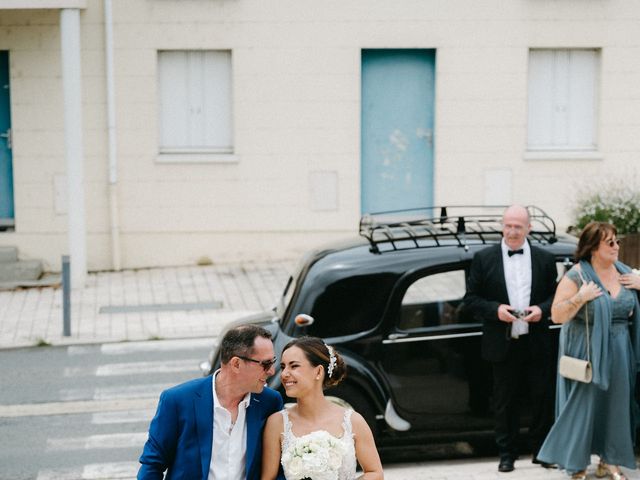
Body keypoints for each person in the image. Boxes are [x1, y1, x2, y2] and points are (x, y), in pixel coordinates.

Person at [536, 222, 640, 480]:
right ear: (593, 248)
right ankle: (577, 464)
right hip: (586, 350)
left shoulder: (626, 273)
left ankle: (610, 461)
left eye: (617, 241)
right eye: (611, 242)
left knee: (617, 405)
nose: (617, 247)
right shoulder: (577, 276)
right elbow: (558, 315)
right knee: (582, 407)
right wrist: (580, 297)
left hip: (619, 348)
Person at [464, 204, 558, 473]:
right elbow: (470, 300)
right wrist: (496, 311)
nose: (513, 231)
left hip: (536, 339)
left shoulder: (544, 259)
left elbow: (555, 296)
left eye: (518, 226)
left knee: (541, 398)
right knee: (505, 401)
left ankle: (541, 451)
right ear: (502, 227)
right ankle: (507, 454)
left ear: (528, 228)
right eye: (508, 225)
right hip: (502, 341)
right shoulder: (484, 258)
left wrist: (543, 309)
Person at [137, 324, 284, 480]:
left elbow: (279, 467)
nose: (271, 371)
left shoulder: (270, 402)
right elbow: (152, 465)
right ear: (236, 364)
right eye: (266, 364)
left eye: (272, 362)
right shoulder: (178, 401)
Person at [261, 336, 384, 480]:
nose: (284, 374)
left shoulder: (353, 421)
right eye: (283, 367)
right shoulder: (277, 423)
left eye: (294, 366)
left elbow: (375, 473)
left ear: (318, 372)